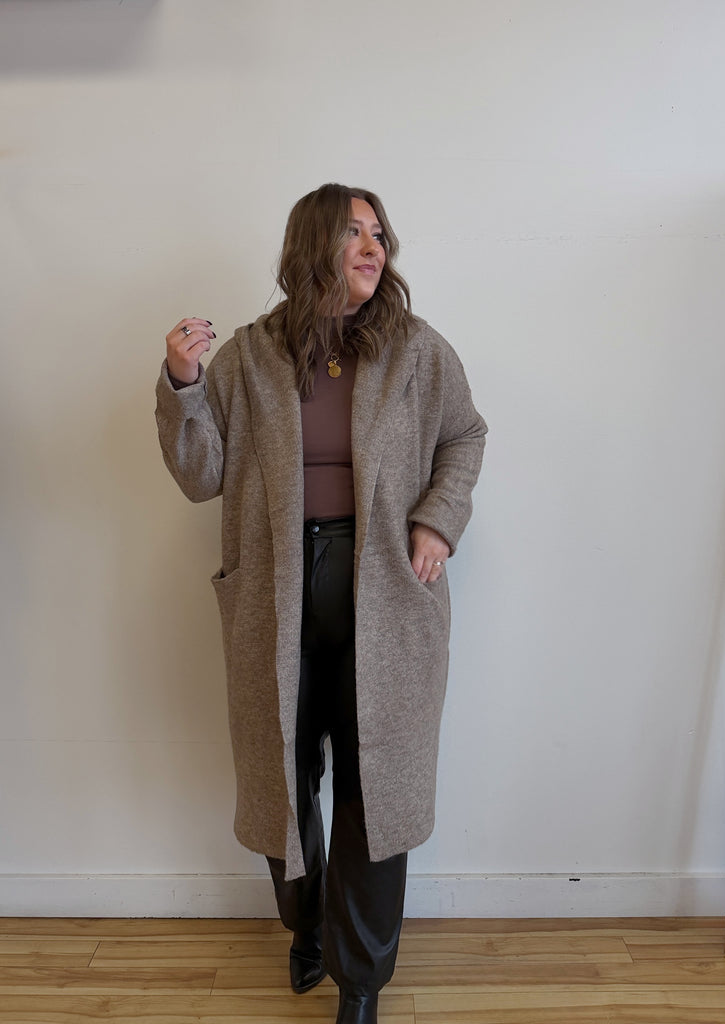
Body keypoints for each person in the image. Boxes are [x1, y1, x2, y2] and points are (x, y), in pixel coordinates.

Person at [155, 183, 487, 1024]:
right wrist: (184, 383)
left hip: (390, 597)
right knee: (285, 776)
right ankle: (305, 926)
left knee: (376, 792)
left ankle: (361, 982)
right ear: (313, 246)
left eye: (380, 234)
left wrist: (437, 521)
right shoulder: (249, 355)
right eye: (354, 233)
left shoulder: (417, 351)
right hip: (274, 595)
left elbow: (465, 435)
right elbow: (201, 476)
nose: (375, 248)